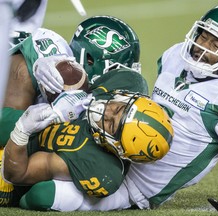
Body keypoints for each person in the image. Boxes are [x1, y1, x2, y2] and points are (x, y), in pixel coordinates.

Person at [15, 5, 218, 215]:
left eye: (217, 45)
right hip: (109, 137)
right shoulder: (176, 57)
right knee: (40, 105)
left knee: (42, 195)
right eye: (203, 35)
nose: (202, 47)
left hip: (131, 186)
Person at [0, 15, 142, 206]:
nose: (118, 79)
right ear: (89, 60)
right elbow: (3, 124)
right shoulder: (53, 55)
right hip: (9, 107)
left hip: (40, 149)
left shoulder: (118, 96)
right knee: (23, 68)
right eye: (115, 69)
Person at [1, 68, 174, 207]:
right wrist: (75, 91)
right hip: (34, 118)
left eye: (111, 125)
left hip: (19, 155)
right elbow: (80, 79)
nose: (106, 112)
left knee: (33, 194)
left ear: (118, 148)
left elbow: (17, 174)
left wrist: (22, 130)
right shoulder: (128, 83)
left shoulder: (98, 166)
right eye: (118, 109)